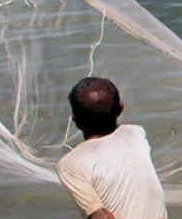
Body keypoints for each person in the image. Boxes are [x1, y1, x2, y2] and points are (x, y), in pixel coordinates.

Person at [56, 77, 167, 219]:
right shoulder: (136, 133)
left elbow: (102, 217)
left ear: (75, 121)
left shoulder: (70, 165)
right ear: (121, 108)